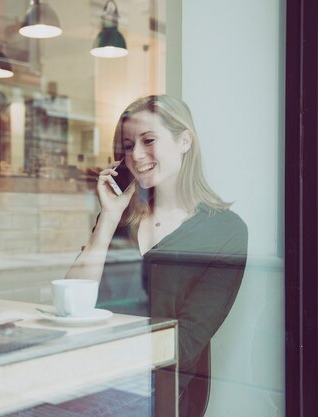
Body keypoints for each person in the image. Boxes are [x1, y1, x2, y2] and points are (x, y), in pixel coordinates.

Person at [66, 95, 248, 417]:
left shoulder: (225, 230)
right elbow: (72, 305)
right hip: (90, 377)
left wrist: (102, 358)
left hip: (151, 390)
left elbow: (185, 344)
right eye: (127, 145)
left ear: (184, 141)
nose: (135, 155)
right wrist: (108, 218)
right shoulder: (119, 218)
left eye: (148, 140)